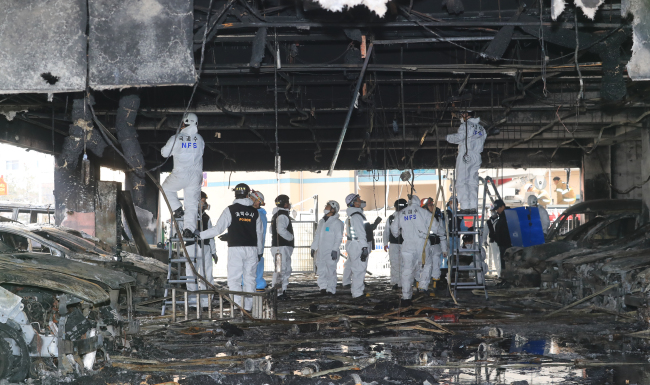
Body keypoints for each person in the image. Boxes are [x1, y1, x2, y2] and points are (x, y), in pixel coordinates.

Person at [195, 183, 263, 313]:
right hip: (252, 249)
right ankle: (248, 308)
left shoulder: (230, 210)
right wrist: (259, 252)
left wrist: (199, 234)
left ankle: (237, 306)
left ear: (235, 194)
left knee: (234, 279)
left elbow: (217, 229)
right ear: (248, 195)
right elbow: (259, 234)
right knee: (250, 278)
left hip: (236, 249)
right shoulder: (255, 213)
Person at [161, 113, 205, 239]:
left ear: (184, 123)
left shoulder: (177, 138)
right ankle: (188, 230)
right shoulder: (200, 139)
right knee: (191, 204)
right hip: (196, 175)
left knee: (166, 188)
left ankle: (177, 209)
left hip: (181, 173)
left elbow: (164, 153)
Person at [390, 195, 429, 307]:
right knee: (427, 264)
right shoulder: (423, 212)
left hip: (407, 244)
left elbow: (393, 229)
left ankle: (406, 296)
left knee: (407, 270)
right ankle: (422, 286)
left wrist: (398, 235)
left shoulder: (401, 213)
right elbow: (435, 225)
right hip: (422, 242)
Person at [446, 114, 487, 213]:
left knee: (461, 181)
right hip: (477, 156)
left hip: (466, 153)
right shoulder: (482, 128)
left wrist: (447, 137)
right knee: (472, 181)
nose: (460, 116)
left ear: (467, 115)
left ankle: (465, 207)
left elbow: (460, 137)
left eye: (462, 114)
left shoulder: (466, 125)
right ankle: (473, 206)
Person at [344, 193, 381, 299]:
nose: (360, 201)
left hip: (355, 244)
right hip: (358, 245)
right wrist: (364, 248)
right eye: (358, 199)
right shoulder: (356, 216)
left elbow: (363, 230)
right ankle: (357, 294)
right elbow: (361, 233)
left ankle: (357, 291)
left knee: (358, 269)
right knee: (359, 270)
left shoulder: (355, 215)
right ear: (353, 203)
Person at [185, 191, 217, 307]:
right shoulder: (187, 216)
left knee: (206, 274)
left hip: (205, 247)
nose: (204, 203)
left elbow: (211, 234)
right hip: (190, 246)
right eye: (203, 201)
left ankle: (205, 303)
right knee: (190, 274)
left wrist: (213, 252)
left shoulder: (206, 217)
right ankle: (193, 303)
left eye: (204, 201)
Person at [311, 200, 344, 295]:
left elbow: (338, 237)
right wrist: (313, 247)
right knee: (321, 270)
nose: (325, 207)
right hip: (321, 251)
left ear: (333, 209)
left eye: (328, 206)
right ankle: (323, 287)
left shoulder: (337, 223)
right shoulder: (322, 222)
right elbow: (317, 235)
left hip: (330, 251)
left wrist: (334, 249)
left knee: (330, 271)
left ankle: (331, 289)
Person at [418, 198, 448, 296]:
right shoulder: (419, 218)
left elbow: (442, 234)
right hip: (422, 246)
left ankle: (434, 286)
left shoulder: (437, 218)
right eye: (431, 205)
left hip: (435, 246)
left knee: (435, 266)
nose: (433, 207)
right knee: (422, 267)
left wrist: (444, 249)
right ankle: (420, 286)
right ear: (424, 207)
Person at [271, 194, 294, 299]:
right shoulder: (282, 215)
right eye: (288, 202)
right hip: (282, 247)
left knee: (283, 269)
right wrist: (290, 237)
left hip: (280, 247)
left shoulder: (277, 215)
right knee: (281, 270)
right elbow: (281, 230)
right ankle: (278, 293)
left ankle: (282, 291)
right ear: (285, 204)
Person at [383, 199, 407, 291]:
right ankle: (396, 282)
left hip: (406, 243)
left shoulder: (408, 217)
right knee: (394, 263)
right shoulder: (391, 218)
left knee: (405, 264)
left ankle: (405, 282)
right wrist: (385, 243)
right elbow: (386, 232)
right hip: (394, 244)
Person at [250, 190, 268, 291]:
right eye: (252, 199)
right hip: (254, 246)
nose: (254, 202)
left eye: (256, 200)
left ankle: (257, 284)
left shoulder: (258, 215)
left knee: (253, 268)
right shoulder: (257, 214)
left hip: (254, 246)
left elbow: (259, 233)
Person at [492, 199, 511, 272]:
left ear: (503, 207)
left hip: (507, 244)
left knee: (507, 263)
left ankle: (507, 279)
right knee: (503, 263)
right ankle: (505, 278)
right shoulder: (502, 216)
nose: (497, 211)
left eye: (498, 208)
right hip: (502, 244)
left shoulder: (508, 216)